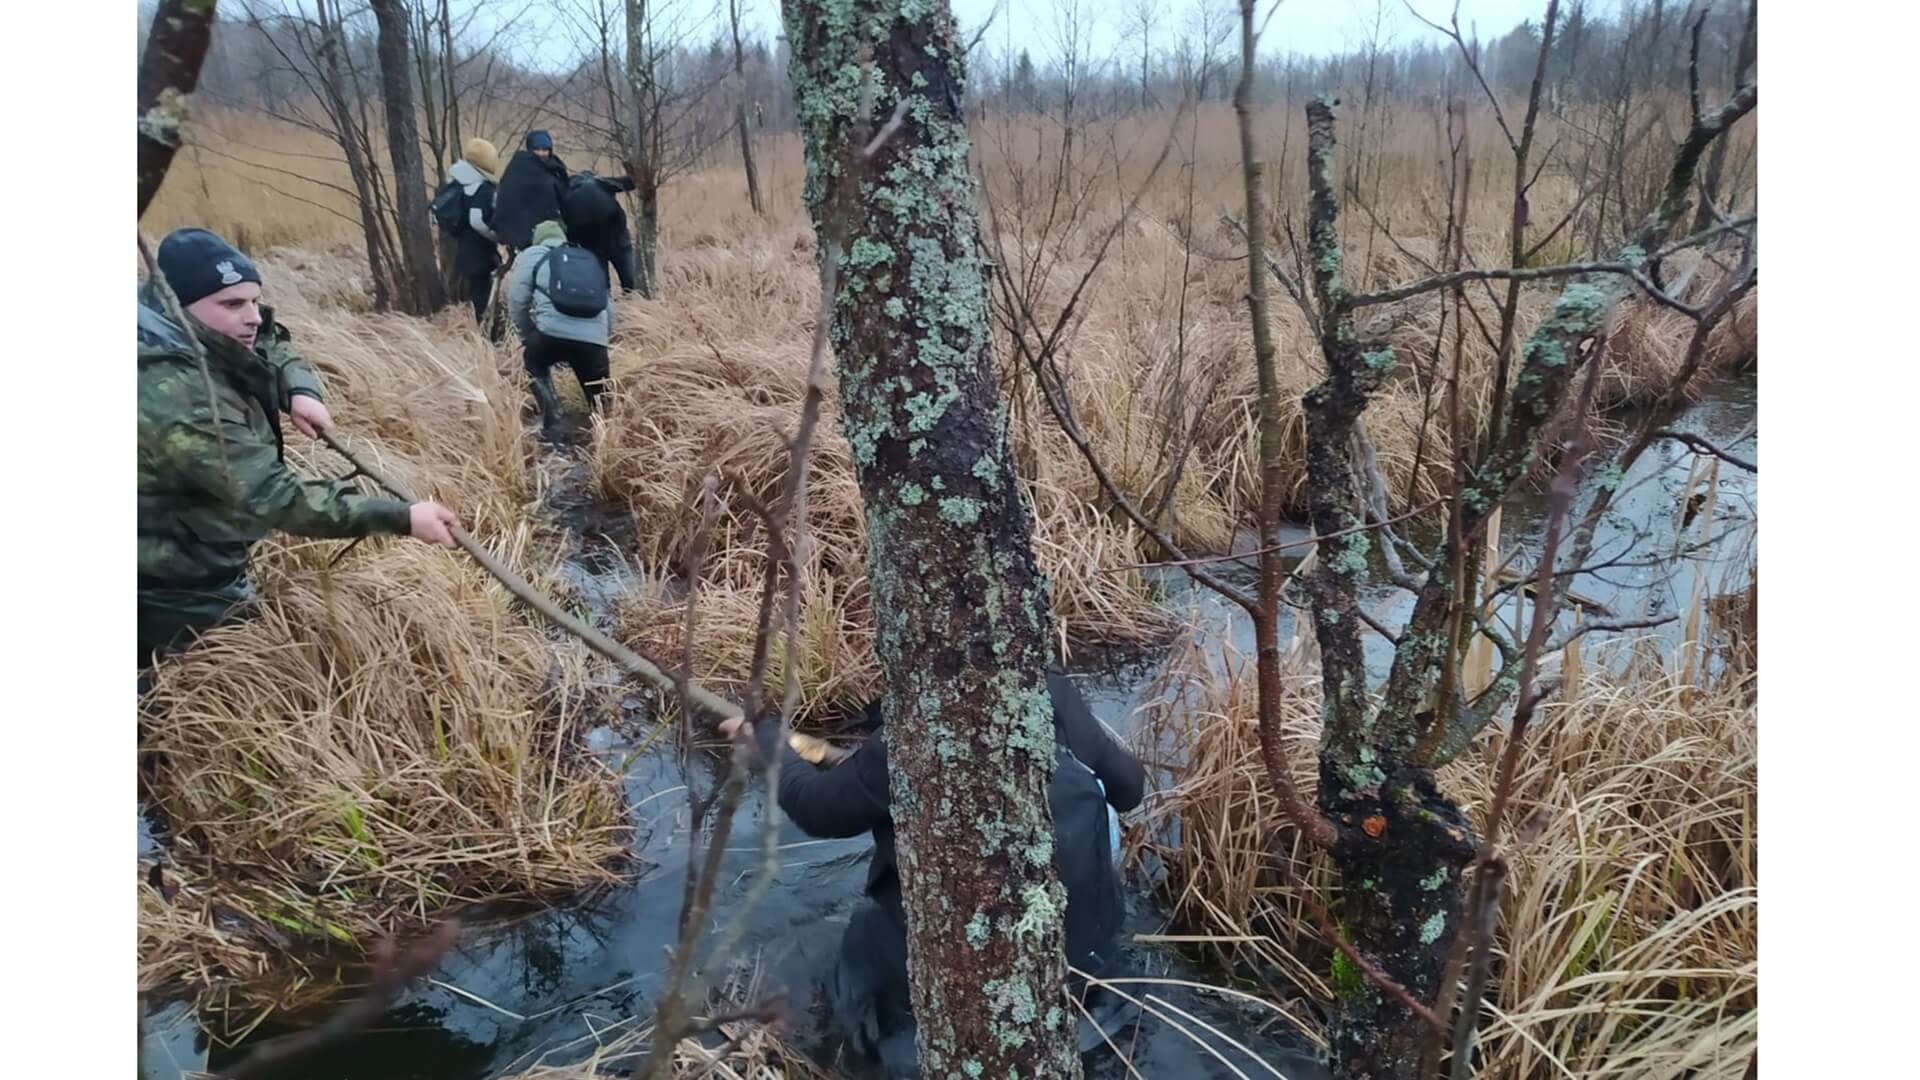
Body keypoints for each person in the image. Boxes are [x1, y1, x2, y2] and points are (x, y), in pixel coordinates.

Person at [722, 670, 1147, 1077]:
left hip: (941, 967)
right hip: (1084, 957)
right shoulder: (1049, 689)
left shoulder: (916, 726)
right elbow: (1129, 788)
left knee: (855, 974)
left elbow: (815, 807)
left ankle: (838, 1054)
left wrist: (767, 742)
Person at [138, 228, 461, 671]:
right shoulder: (174, 395)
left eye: (253, 299)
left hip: (200, 546)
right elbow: (275, 498)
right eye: (233, 304)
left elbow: (270, 336)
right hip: (167, 580)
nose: (252, 316)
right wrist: (403, 518)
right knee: (197, 686)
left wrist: (299, 388)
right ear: (177, 307)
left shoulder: (190, 326)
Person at [505, 219, 612, 440]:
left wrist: (527, 335)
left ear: (538, 239)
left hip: (550, 336)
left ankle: (553, 418)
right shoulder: (585, 258)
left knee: (534, 361)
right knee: (600, 398)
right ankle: (603, 438)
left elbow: (517, 299)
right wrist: (601, 339)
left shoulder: (533, 254)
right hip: (594, 342)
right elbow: (608, 307)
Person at [442, 137, 502, 326]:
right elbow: (477, 220)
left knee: (473, 291)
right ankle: (486, 329)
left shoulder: (458, 182)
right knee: (482, 293)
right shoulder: (482, 187)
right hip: (480, 252)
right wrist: (497, 236)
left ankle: (476, 323)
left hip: (463, 247)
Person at [560, 169, 638, 294]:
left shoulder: (565, 192)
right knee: (631, 283)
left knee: (603, 289)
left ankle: (610, 310)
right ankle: (635, 306)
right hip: (618, 240)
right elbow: (632, 182)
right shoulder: (600, 183)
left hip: (592, 246)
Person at [492, 130, 569, 252]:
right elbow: (506, 197)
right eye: (537, 149)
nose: (541, 153)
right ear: (530, 149)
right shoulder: (519, 167)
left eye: (545, 149)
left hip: (549, 231)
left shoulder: (554, 168)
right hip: (525, 234)